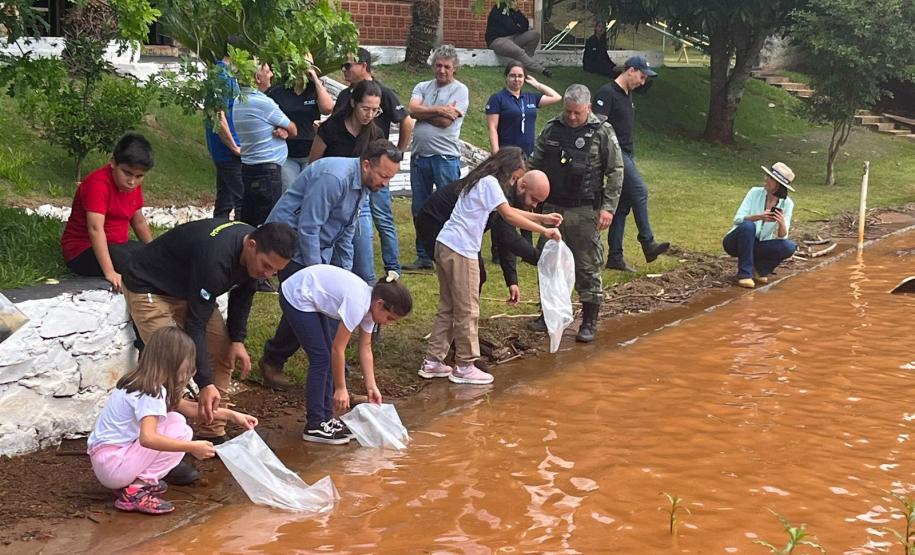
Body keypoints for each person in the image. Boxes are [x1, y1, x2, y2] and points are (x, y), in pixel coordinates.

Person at [122, 220, 295, 453]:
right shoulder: (216, 258)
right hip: (149, 284)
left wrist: (237, 340)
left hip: (188, 288)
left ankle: (212, 433)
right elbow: (196, 324)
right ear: (251, 245)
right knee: (168, 362)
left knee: (224, 353)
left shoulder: (252, 255)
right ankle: (158, 445)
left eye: (275, 271)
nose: (269, 275)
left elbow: (244, 295)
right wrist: (205, 383)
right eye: (266, 266)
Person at [260, 140, 403, 389]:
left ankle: (325, 364)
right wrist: (319, 274)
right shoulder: (335, 178)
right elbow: (308, 227)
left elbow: (347, 231)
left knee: (322, 305)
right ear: (366, 165)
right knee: (308, 306)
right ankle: (278, 361)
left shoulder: (364, 186)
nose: (385, 183)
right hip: (287, 244)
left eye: (390, 178)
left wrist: (344, 275)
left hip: (319, 243)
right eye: (383, 176)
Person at [419, 148, 562, 385]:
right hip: (461, 251)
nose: (515, 182)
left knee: (448, 306)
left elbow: (506, 210)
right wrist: (544, 230)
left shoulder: (479, 180)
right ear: (507, 170)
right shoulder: (492, 183)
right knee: (467, 309)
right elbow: (508, 216)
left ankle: (433, 361)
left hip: (445, 244)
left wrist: (542, 218)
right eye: (515, 178)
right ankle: (465, 364)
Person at [87, 327, 258, 514]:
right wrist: (192, 447)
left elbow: (189, 408)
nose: (189, 370)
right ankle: (136, 491)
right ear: (173, 362)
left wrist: (233, 416)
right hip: (114, 466)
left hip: (108, 461)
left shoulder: (139, 381)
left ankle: (132, 483)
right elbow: (148, 439)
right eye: (187, 363)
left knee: (175, 419)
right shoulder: (152, 392)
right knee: (182, 432)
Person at [529, 84, 624, 343]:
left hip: (585, 210)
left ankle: (589, 320)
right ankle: (549, 314)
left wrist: (608, 208)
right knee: (548, 263)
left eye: (577, 113)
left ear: (588, 109)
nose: (571, 117)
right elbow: (535, 163)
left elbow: (615, 170)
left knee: (586, 266)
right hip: (552, 210)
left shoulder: (602, 132)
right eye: (568, 111)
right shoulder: (552, 128)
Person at [280, 265, 412, 444]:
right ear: (379, 304)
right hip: (297, 295)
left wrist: (371, 386)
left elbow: (365, 347)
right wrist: (340, 388)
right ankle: (315, 424)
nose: (388, 323)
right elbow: (338, 349)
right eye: (390, 318)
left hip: (310, 294)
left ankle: (325, 419)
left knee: (324, 356)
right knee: (321, 358)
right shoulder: (358, 304)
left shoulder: (371, 308)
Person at [416, 164, 552, 304]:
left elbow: (504, 238)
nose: (534, 206)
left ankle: (458, 314)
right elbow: (508, 236)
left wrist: (512, 280)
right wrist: (542, 259)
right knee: (470, 277)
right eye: (534, 199)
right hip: (435, 224)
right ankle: (463, 315)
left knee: (474, 276)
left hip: (456, 231)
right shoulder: (499, 189)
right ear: (522, 186)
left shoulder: (509, 192)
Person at [335, 47, 414, 279]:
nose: (344, 70)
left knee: (382, 217)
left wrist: (395, 154)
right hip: (350, 170)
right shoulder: (345, 96)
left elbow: (406, 122)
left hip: (377, 170)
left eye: (348, 65)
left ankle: (393, 269)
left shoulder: (384, 93)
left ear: (364, 66)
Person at [592, 55, 669, 273]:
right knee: (640, 192)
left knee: (623, 206)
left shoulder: (628, 94)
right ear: (631, 70)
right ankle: (648, 243)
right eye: (641, 76)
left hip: (628, 153)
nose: (642, 82)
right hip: (615, 154)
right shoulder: (607, 93)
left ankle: (615, 257)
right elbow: (598, 128)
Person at [60, 133, 154, 292]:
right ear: (113, 163)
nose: (132, 182)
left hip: (117, 245)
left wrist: (155, 250)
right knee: (136, 266)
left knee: (154, 258)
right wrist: (110, 272)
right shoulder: (97, 184)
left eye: (139, 176)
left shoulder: (133, 186)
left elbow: (138, 222)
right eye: (127, 173)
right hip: (83, 250)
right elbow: (95, 229)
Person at [404, 44, 469, 270]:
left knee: (448, 208)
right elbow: (411, 110)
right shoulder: (422, 86)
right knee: (419, 208)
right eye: (439, 66)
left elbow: (445, 122)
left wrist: (426, 112)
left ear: (455, 68)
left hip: (445, 158)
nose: (442, 70)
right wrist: (440, 109)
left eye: (447, 67)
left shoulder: (460, 90)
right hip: (420, 157)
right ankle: (423, 255)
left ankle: (448, 253)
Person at [233, 62, 298, 226]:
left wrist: (281, 130)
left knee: (248, 224)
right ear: (257, 78)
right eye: (268, 72)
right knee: (267, 226)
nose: (271, 76)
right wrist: (285, 129)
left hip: (249, 169)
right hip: (267, 173)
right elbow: (293, 129)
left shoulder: (239, 100)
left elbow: (263, 125)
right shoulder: (263, 103)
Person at [723, 162, 797, 288]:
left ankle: (759, 270)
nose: (766, 180)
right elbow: (738, 219)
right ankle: (745, 275)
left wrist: (781, 222)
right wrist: (758, 217)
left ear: (778, 185)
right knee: (748, 226)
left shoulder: (787, 204)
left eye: (770, 179)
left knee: (789, 246)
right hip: (736, 242)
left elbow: (782, 236)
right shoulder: (754, 192)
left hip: (758, 245)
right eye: (767, 176)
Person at [267, 61, 333, 191]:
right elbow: (267, 117)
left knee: (309, 192)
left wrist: (315, 79)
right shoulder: (278, 92)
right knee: (291, 192)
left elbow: (327, 108)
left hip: (311, 153)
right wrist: (277, 129)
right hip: (287, 153)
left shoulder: (315, 90)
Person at [486, 63, 561, 156]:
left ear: (524, 78)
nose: (516, 79)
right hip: (507, 153)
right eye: (512, 76)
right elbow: (492, 128)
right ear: (506, 77)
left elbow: (556, 97)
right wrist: (496, 153)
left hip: (528, 152)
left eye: (520, 76)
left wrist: (537, 85)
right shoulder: (497, 98)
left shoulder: (530, 97)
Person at [206, 54, 244, 219]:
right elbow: (217, 115)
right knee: (243, 200)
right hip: (227, 151)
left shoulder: (229, 75)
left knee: (224, 202)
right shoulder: (220, 76)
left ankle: (217, 237)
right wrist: (234, 146)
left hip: (231, 149)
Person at [309, 79, 383, 161]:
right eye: (365, 109)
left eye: (375, 110)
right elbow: (313, 164)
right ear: (353, 103)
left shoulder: (376, 135)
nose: (370, 115)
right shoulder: (330, 128)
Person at [485, 1, 551, 77]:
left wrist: (517, 11)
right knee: (518, 51)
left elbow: (525, 24)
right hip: (497, 40)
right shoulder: (499, 8)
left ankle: (526, 63)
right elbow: (510, 27)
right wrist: (522, 29)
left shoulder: (513, 10)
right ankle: (542, 70)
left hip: (513, 37)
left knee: (534, 35)